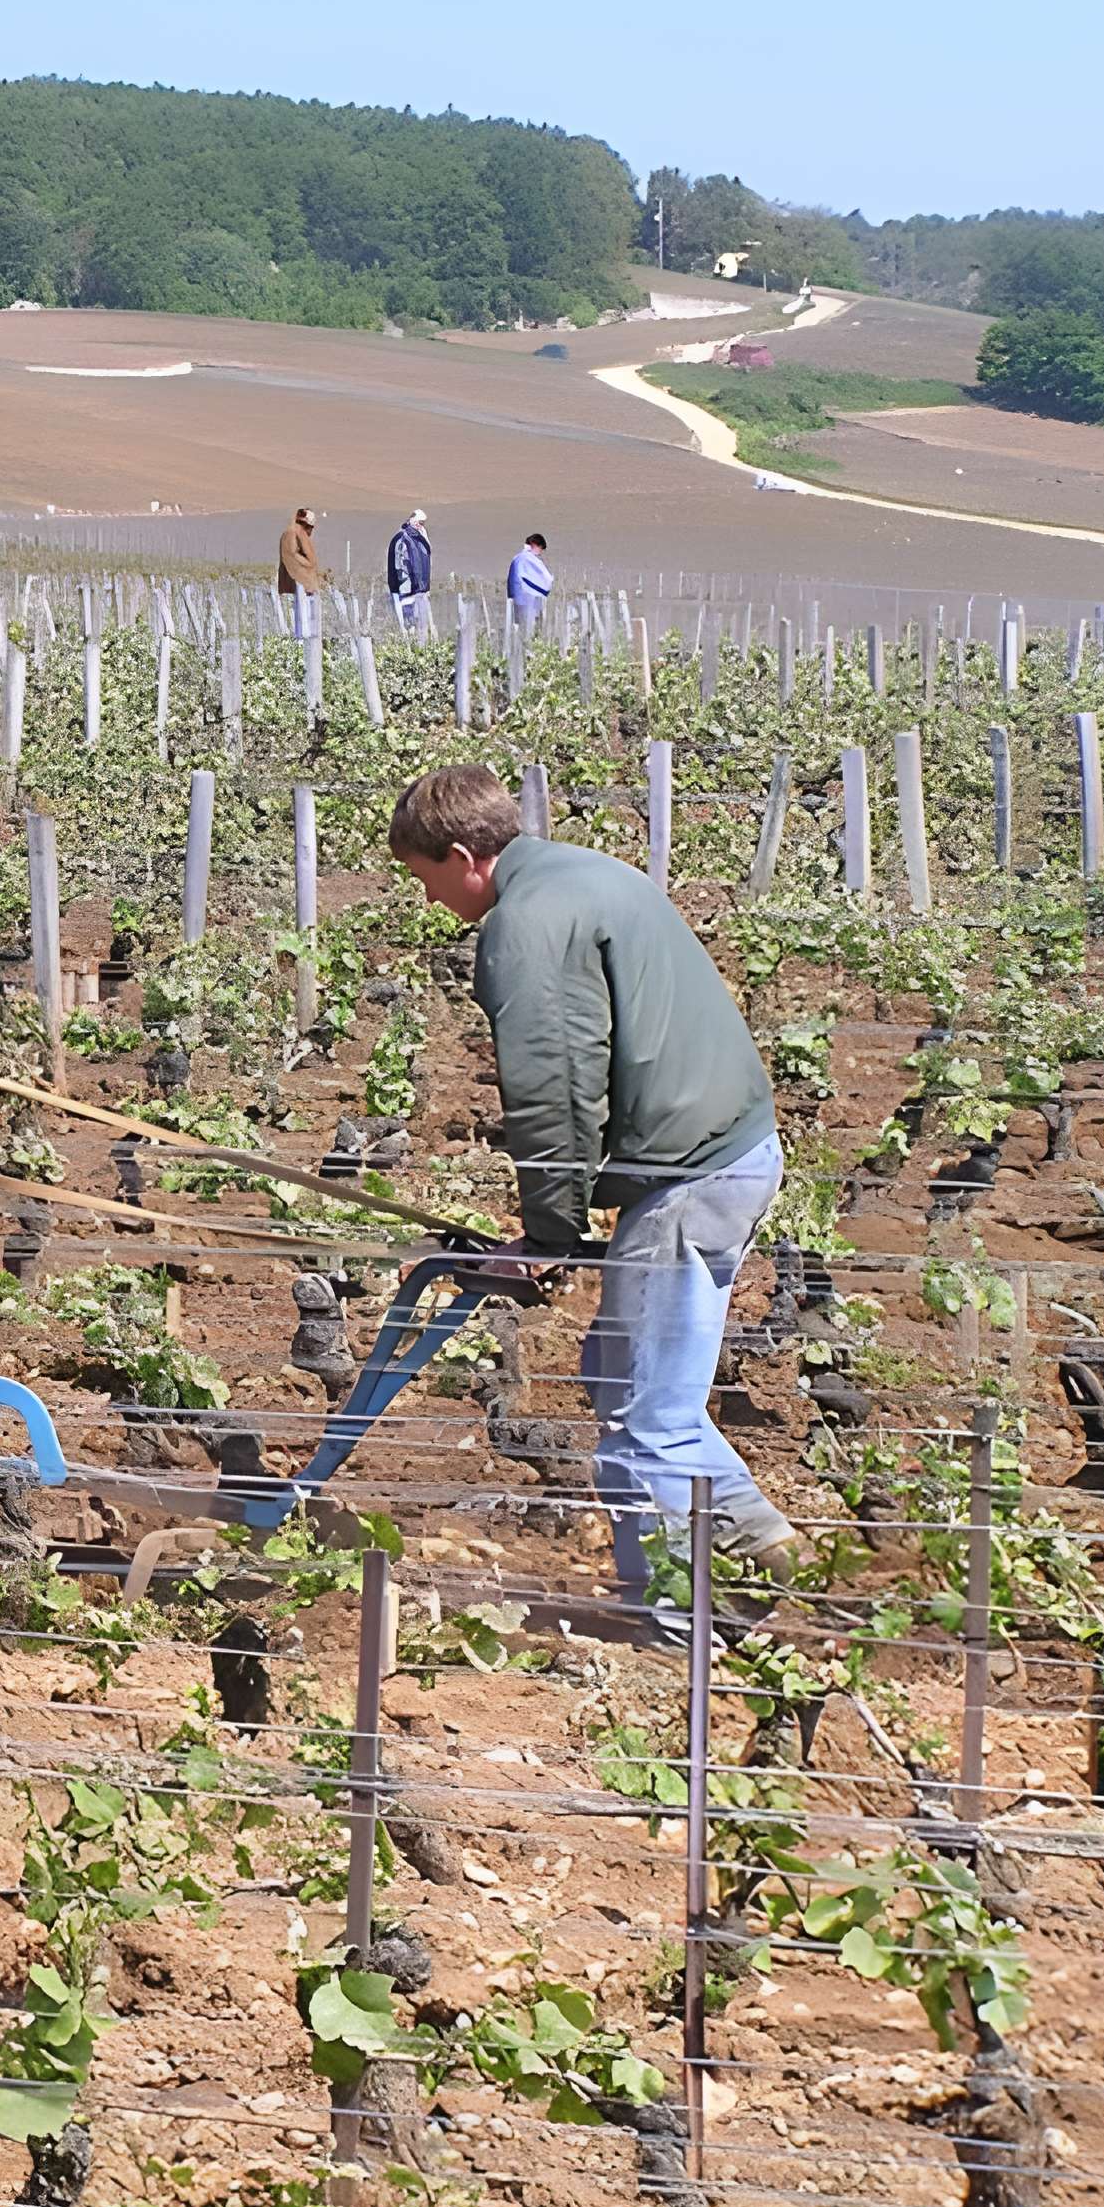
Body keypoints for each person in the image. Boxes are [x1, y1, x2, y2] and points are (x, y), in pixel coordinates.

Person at [386, 763, 794, 1601]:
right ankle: (766, 1549)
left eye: (425, 881)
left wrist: (549, 1235)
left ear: (464, 856)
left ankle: (685, 1623)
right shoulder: (589, 873)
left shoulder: (527, 922)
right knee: (624, 1377)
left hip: (688, 1175)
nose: (429, 902)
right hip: (724, 1152)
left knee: (648, 1424)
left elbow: (555, 1087)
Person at [275, 507, 324, 639]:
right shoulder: (296, 534)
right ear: (308, 526)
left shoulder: (290, 533)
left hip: (294, 585)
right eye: (311, 528)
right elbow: (298, 558)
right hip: (298, 585)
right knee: (303, 623)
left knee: (301, 620)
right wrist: (309, 568)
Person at [386, 509, 433, 631]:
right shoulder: (403, 538)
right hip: (408, 588)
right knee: (408, 621)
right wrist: (407, 590)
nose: (420, 525)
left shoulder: (418, 538)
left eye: (422, 523)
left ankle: (412, 641)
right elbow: (401, 566)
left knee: (416, 623)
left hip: (418, 587)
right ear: (412, 520)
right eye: (419, 522)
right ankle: (407, 642)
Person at [505, 531, 553, 629]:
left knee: (518, 630)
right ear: (534, 545)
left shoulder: (517, 558)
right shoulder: (527, 558)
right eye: (540, 549)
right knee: (529, 631)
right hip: (526, 601)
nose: (540, 553)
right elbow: (544, 579)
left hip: (516, 601)